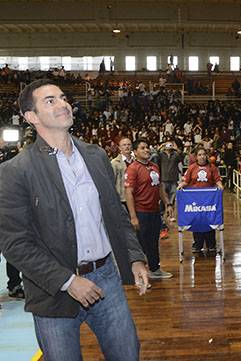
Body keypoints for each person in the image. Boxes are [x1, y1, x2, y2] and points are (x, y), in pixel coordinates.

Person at [0, 79, 149, 360]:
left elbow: (116, 215)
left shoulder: (96, 156)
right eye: (50, 101)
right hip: (53, 289)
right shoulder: (16, 171)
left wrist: (134, 257)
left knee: (128, 354)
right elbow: (15, 244)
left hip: (105, 277)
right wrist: (69, 281)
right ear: (31, 117)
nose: (63, 104)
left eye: (63, 97)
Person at [125, 138, 174, 279]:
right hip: (141, 212)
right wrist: (133, 216)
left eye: (147, 147)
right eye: (142, 148)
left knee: (153, 242)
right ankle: (138, 273)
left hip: (154, 211)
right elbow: (128, 192)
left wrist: (167, 203)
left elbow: (159, 187)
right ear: (135, 152)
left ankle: (154, 269)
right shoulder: (133, 168)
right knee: (140, 243)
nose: (146, 150)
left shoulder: (154, 166)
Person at [178, 146, 224, 253]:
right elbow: (186, 181)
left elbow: (217, 180)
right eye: (199, 155)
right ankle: (197, 244)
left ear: (206, 156)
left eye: (203, 154)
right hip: (196, 200)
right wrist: (181, 185)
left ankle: (211, 244)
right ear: (196, 157)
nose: (202, 157)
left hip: (209, 200)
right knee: (197, 221)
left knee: (210, 220)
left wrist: (220, 185)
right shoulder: (191, 168)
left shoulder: (212, 168)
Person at [111, 137, 134, 207]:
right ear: (120, 148)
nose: (127, 147)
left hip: (136, 197)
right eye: (124, 145)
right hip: (122, 199)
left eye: (129, 144)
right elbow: (112, 182)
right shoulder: (114, 163)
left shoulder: (136, 162)